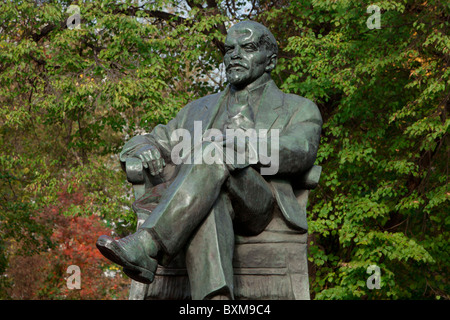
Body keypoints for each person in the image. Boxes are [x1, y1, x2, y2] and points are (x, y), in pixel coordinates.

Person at [96, 20, 322, 300]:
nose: (235, 55)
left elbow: (300, 150)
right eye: (229, 49)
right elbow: (155, 137)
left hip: (259, 203)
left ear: (270, 60)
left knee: (212, 150)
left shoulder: (297, 107)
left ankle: (149, 244)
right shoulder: (197, 110)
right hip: (205, 201)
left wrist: (241, 144)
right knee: (211, 198)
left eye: (247, 48)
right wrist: (142, 148)